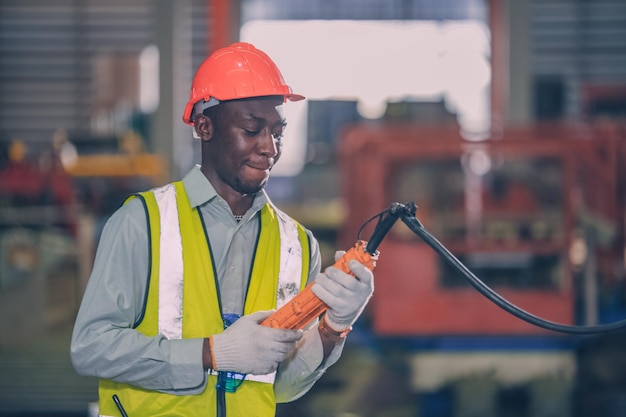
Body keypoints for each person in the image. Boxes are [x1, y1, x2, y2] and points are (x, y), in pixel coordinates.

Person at [71, 42, 375, 417]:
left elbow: (282, 387)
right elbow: (90, 348)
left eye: (277, 132)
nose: (270, 148)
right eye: (252, 129)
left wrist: (334, 327)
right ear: (204, 126)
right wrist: (211, 353)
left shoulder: (296, 244)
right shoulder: (142, 223)